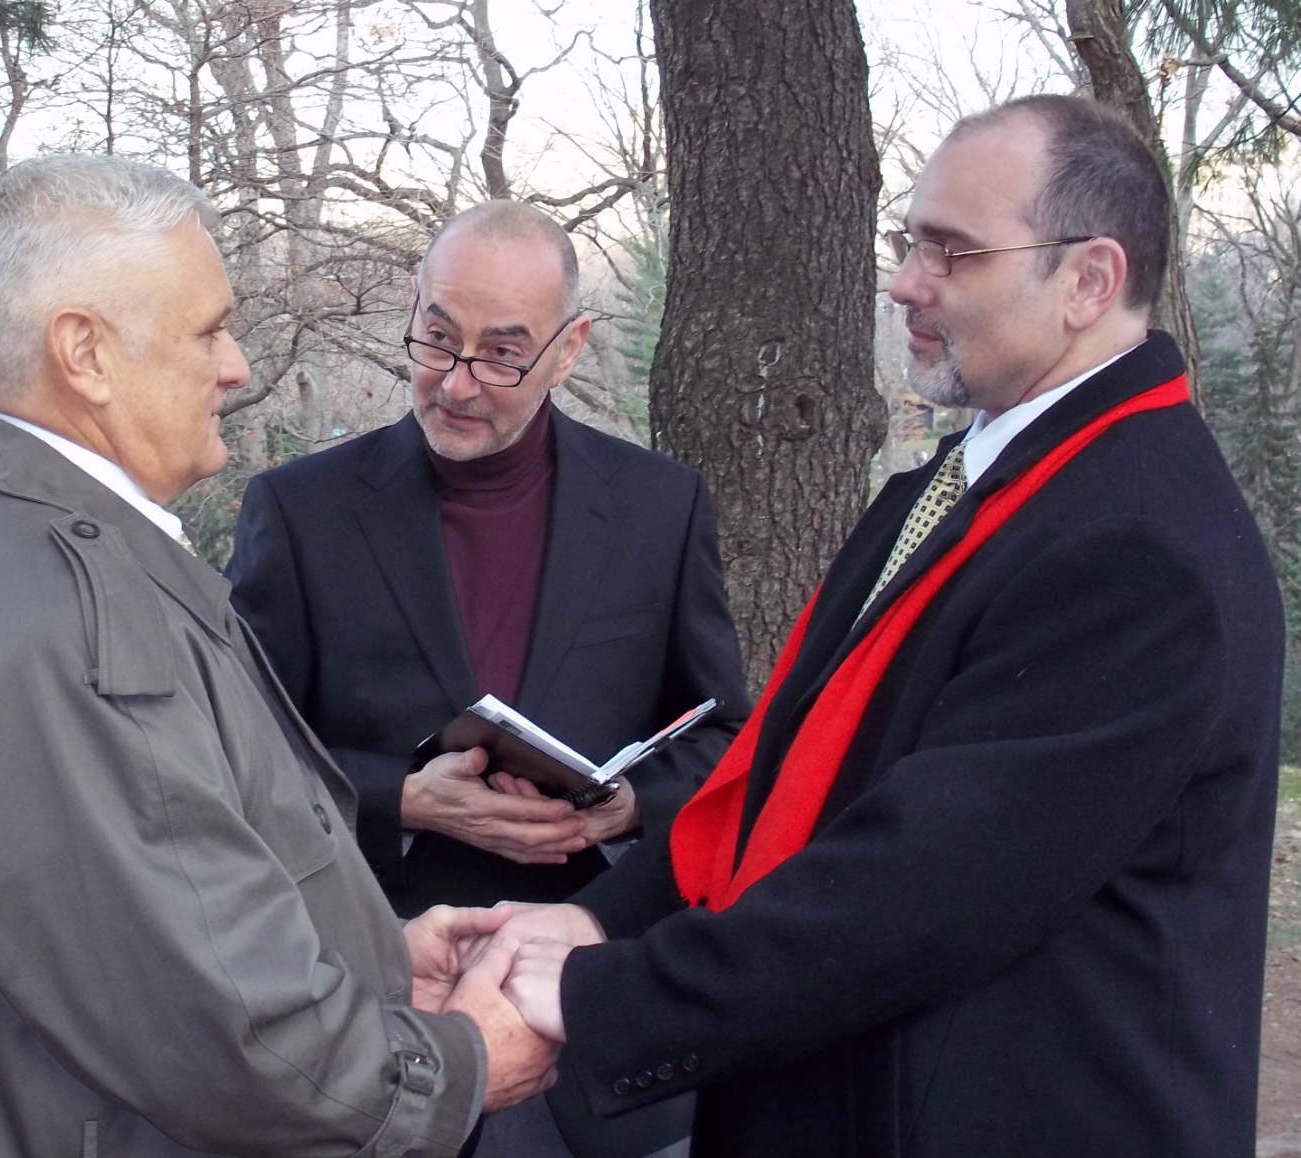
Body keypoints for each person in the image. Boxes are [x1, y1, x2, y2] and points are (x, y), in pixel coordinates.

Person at [474, 94, 1286, 1158]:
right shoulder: (957, 485)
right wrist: (604, 918)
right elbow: (790, 779)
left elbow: (924, 889)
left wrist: (607, 991)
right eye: (910, 243)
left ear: (1088, 280)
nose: (905, 281)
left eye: (950, 252)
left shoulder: (1140, 548)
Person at [0, 155, 556, 1158]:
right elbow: (228, 1033)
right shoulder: (66, 615)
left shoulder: (30, 541)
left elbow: (136, 928)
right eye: (208, 329)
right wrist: (459, 1062)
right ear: (83, 353)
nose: (236, 365)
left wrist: (373, 959)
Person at [226, 201, 748, 1158]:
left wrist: (624, 807)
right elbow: (236, 754)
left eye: (502, 353)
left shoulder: (658, 507)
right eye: (437, 338)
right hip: (374, 992)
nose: (457, 383)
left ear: (569, 348)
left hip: (592, 991)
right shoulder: (301, 511)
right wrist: (407, 801)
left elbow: (723, 740)